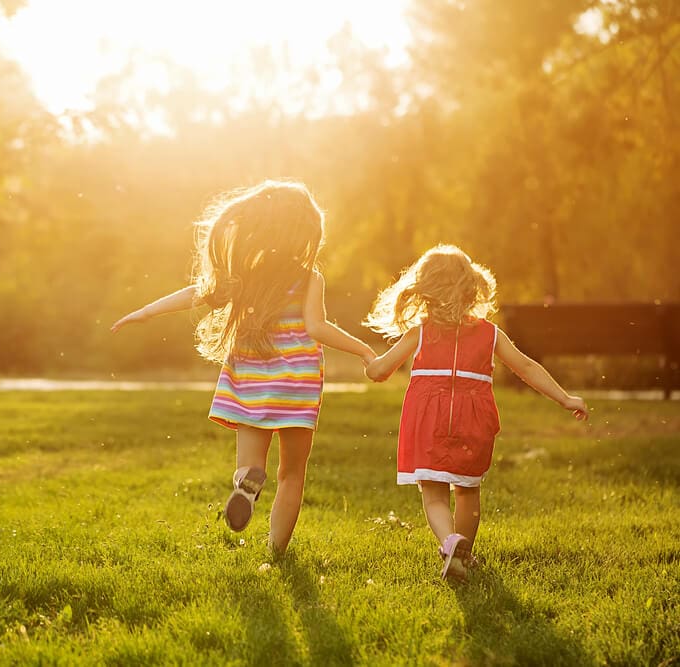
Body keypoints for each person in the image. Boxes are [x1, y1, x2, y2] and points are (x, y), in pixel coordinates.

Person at [111, 180, 376, 557]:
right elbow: (317, 327)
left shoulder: (246, 272)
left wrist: (147, 311)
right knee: (292, 473)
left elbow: (198, 293)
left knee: (250, 465)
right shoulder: (309, 278)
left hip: (252, 379)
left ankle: (245, 485)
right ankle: (276, 551)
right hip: (297, 384)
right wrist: (364, 349)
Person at [363, 244, 589, 581]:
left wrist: (368, 360)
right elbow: (526, 367)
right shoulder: (490, 334)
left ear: (425, 290)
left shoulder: (419, 334)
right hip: (474, 420)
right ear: (471, 288)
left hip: (428, 419)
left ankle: (449, 541)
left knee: (434, 493)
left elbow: (380, 371)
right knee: (468, 491)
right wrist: (565, 397)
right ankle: (464, 553)